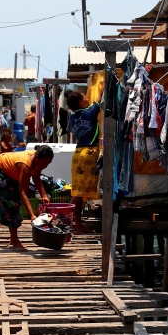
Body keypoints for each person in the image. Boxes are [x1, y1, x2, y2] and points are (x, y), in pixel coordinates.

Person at [0, 144, 55, 251]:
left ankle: (13, 238)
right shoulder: (26, 166)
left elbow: (36, 177)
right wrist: (32, 215)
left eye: (48, 164)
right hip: (1, 169)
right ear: (37, 158)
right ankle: (15, 241)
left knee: (15, 204)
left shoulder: (38, 162)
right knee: (12, 204)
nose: (45, 166)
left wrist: (44, 195)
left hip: (13, 171)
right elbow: (23, 193)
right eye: (44, 163)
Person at [65, 90, 100, 233]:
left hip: (78, 153)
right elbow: (99, 98)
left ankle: (78, 224)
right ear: (80, 102)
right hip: (89, 153)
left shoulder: (73, 117)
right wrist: (103, 85)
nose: (88, 98)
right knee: (79, 194)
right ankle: (62, 217)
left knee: (77, 192)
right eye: (85, 96)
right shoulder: (89, 113)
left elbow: (70, 131)